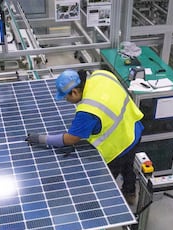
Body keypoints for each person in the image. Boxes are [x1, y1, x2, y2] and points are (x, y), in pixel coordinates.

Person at [25, 69, 144, 204]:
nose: (66, 100)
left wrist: (40, 138)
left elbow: (70, 139)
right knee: (128, 166)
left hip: (118, 147)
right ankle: (130, 193)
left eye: (66, 97)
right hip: (134, 129)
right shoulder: (101, 75)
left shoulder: (88, 111)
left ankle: (98, 207)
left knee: (105, 179)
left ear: (75, 92)